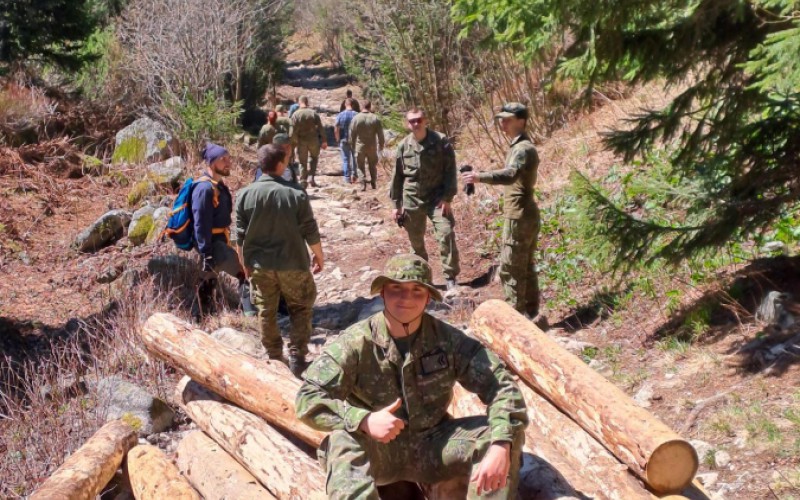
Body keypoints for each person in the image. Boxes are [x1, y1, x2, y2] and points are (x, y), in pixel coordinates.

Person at [296, 254, 528, 499]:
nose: (406, 298)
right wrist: (363, 420)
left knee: (504, 435)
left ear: (428, 297)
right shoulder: (354, 343)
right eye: (396, 288)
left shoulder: (447, 340)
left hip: (435, 446)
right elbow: (308, 398)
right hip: (379, 450)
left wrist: (501, 444)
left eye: (417, 290)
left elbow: (502, 386)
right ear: (382, 292)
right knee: (341, 441)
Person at [235, 145, 323, 375]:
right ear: (281, 165)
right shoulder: (295, 193)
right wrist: (319, 255)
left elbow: (239, 236)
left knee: (266, 311)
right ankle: (297, 356)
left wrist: (244, 263)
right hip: (293, 262)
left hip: (259, 265)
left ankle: (274, 357)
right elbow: (310, 229)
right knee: (301, 308)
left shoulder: (244, 194)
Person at [461, 103, 540, 319]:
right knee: (525, 267)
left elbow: (510, 175)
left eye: (508, 119)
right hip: (522, 214)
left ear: (521, 122)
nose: (503, 123)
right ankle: (532, 316)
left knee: (510, 269)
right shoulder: (518, 147)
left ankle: (516, 318)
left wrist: (480, 177)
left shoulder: (523, 149)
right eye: (501, 119)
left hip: (519, 216)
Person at [390, 108, 460, 291]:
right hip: (412, 199)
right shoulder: (403, 146)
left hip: (437, 198)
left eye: (419, 120)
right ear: (407, 124)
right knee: (416, 242)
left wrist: (448, 197)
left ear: (425, 120)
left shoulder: (440, 141)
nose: (416, 124)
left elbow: (450, 170)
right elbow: (397, 177)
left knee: (446, 232)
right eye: (412, 121)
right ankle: (424, 278)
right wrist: (396, 205)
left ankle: (450, 277)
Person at [191, 143, 256, 319]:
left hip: (221, 240)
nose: (229, 163)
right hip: (213, 245)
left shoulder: (219, 186)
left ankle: (201, 317)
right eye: (223, 159)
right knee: (244, 271)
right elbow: (200, 223)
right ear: (212, 163)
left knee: (208, 279)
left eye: (229, 158)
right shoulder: (204, 189)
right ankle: (250, 316)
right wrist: (206, 253)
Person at [291, 95, 327, 188]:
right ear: (307, 102)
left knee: (302, 162)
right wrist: (324, 140)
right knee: (314, 158)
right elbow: (320, 128)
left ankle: (303, 180)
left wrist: (294, 142)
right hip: (313, 141)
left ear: (299, 102)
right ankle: (311, 177)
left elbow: (292, 131)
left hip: (301, 141)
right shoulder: (313, 113)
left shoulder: (295, 115)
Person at [349, 100, 385, 191]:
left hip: (360, 147)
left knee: (360, 166)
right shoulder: (375, 118)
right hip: (372, 147)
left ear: (361, 107)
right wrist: (381, 145)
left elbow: (352, 134)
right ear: (370, 107)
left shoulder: (356, 119)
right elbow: (380, 134)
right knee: (372, 165)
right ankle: (373, 182)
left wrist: (352, 146)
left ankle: (363, 183)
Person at [335, 98, 358, 184]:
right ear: (353, 105)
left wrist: (337, 138)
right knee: (355, 158)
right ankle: (354, 175)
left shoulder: (340, 115)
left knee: (345, 159)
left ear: (345, 104)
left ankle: (347, 178)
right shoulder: (356, 115)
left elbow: (336, 128)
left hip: (343, 139)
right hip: (354, 140)